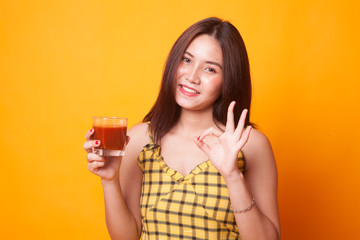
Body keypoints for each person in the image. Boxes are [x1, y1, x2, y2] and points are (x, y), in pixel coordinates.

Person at [83, 17, 280, 240]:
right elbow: (126, 237)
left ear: (229, 79)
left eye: (210, 69)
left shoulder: (251, 145)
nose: (192, 76)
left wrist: (232, 175)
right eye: (186, 60)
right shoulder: (138, 140)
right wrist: (109, 180)